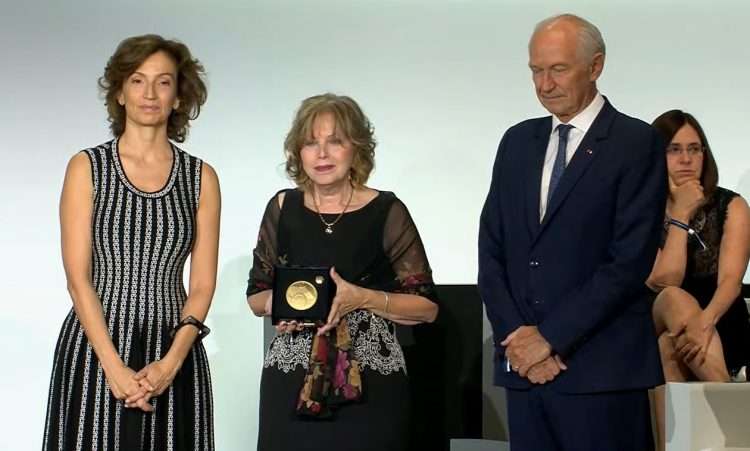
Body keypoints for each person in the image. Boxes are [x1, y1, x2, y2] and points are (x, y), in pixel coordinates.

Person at [478, 14, 667, 450]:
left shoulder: (635, 142)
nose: (544, 84)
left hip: (599, 372)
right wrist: (519, 344)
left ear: (596, 66)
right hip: (526, 373)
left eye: (558, 69)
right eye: (535, 70)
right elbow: (492, 250)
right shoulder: (516, 142)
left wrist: (549, 339)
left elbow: (629, 261)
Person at [42, 35, 220, 451]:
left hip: (173, 351)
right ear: (120, 93)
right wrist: (114, 366)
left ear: (179, 96)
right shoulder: (86, 167)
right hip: (94, 350)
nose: (150, 94)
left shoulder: (202, 178)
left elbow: (202, 286)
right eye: (137, 81)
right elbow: (77, 277)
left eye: (163, 82)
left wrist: (171, 364)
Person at [246, 93, 439, 451]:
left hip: (371, 384)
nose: (321, 154)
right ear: (297, 152)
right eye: (310, 143)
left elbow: (426, 308)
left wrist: (360, 298)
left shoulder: (387, 209)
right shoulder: (282, 207)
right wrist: (287, 306)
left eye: (335, 141)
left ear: (357, 149)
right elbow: (256, 296)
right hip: (290, 380)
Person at [648, 109, 750, 450]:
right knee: (676, 299)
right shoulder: (640, 209)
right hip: (660, 314)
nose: (687, 159)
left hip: (717, 322)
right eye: (674, 149)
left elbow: (732, 282)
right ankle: (733, 408)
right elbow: (665, 279)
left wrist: (704, 323)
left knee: (668, 348)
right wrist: (679, 215)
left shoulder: (730, 205)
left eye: (695, 149)